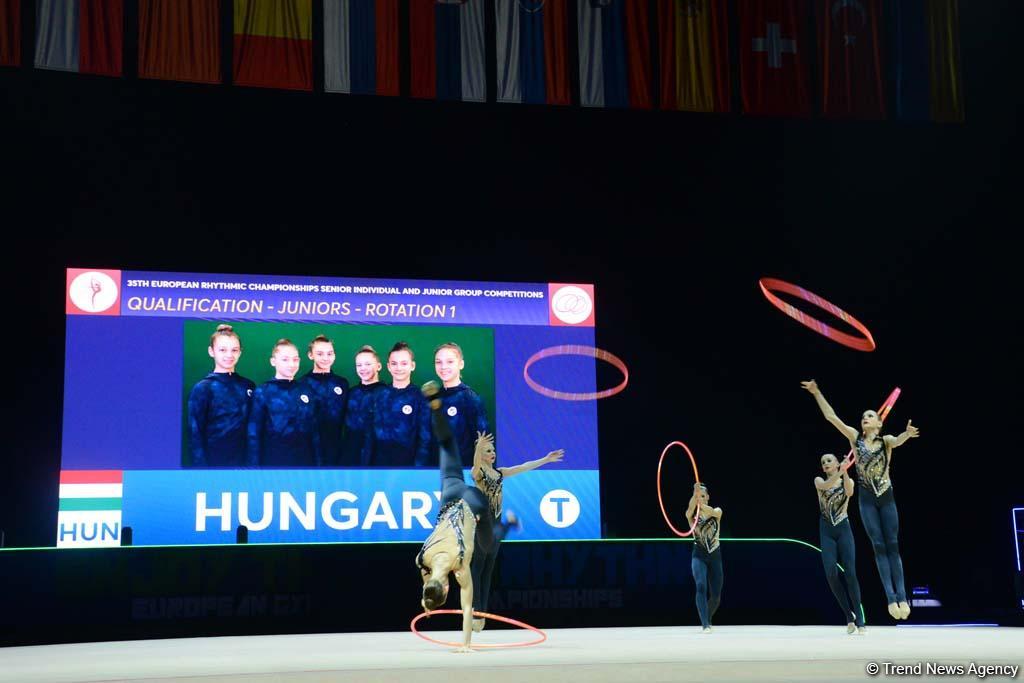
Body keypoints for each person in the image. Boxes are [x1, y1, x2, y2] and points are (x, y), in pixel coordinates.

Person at [802, 379, 921, 620]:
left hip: (886, 497)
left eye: (870, 416)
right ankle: (890, 598)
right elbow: (832, 418)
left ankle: (901, 595)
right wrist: (817, 393)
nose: (865, 418)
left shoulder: (885, 440)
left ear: (878, 422)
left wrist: (906, 435)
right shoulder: (855, 439)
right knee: (878, 545)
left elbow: (897, 441)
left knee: (892, 544)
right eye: (864, 416)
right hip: (867, 500)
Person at [415, 380, 494, 651]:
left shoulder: (460, 568)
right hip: (451, 494)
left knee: (486, 542)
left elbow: (467, 605)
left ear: (446, 589)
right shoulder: (421, 560)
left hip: (473, 504)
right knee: (447, 445)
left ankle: (490, 537)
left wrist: (465, 646)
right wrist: (426, 603)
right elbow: (428, 584)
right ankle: (436, 407)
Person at [469, 431, 563, 631]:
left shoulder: (500, 473)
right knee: (476, 569)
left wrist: (546, 459)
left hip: (494, 522)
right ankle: (476, 611)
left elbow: (523, 467)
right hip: (483, 523)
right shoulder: (479, 473)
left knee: (488, 570)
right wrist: (478, 447)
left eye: (493, 450)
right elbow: (476, 464)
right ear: (481, 454)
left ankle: (481, 614)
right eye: (488, 451)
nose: (492, 453)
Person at [187, 324, 255, 467]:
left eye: (234, 350)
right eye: (222, 350)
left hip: (244, 465)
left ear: (240, 352)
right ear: (211, 351)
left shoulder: (248, 386)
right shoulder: (203, 388)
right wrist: (201, 471)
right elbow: (195, 433)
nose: (229, 355)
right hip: (215, 464)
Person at [247, 339, 321, 467]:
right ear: (273, 361)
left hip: (304, 463)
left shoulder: (306, 390)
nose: (291, 364)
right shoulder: (263, 391)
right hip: (273, 463)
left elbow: (314, 432)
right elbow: (254, 433)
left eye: (295, 359)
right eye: (285, 359)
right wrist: (254, 468)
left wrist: (318, 464)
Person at [815, 452, 866, 634]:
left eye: (829, 460)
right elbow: (826, 485)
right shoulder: (819, 480)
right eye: (823, 462)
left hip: (843, 528)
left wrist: (845, 472)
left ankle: (859, 619)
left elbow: (850, 491)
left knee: (851, 573)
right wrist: (840, 471)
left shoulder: (848, 481)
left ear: (837, 463)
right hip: (826, 529)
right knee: (831, 573)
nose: (826, 463)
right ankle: (848, 614)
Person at [367, 342, 430, 466]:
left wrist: (418, 469)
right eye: (394, 364)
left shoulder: (420, 397)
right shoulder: (379, 394)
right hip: (379, 466)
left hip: (408, 466)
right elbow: (370, 436)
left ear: (412, 365)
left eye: (404, 363)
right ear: (388, 366)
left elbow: (425, 439)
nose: (399, 368)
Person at [429, 342, 488, 467]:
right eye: (438, 362)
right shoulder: (433, 397)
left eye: (450, 362)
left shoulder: (471, 398)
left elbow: (483, 442)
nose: (443, 367)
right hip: (435, 470)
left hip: (462, 471)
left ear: (461, 364)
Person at [298, 335, 349, 466]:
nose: (325, 358)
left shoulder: (342, 383)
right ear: (310, 355)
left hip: (336, 448)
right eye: (320, 354)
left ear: (334, 355)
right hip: (308, 449)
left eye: (329, 353)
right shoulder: (302, 384)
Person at [686, 483, 723, 633]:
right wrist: (695, 498)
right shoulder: (692, 517)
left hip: (714, 556)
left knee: (716, 597)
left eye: (702, 496)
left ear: (707, 497)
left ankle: (707, 617)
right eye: (697, 496)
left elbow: (712, 511)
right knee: (701, 585)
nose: (700, 498)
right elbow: (689, 509)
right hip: (699, 555)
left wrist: (701, 503)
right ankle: (705, 624)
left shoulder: (717, 512)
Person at [339, 345, 384, 466]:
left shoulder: (387, 393)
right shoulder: (351, 393)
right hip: (350, 455)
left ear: (378, 366)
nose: (363, 368)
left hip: (377, 455)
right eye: (359, 365)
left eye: (368, 364)